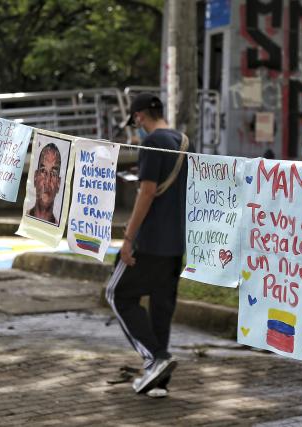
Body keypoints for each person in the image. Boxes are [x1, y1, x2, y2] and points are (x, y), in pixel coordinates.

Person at [106, 93, 190, 397]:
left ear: (140, 116)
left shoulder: (152, 143)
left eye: (136, 120)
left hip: (150, 242)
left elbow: (147, 192)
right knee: (160, 310)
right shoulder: (184, 142)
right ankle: (159, 382)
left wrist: (128, 238)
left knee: (117, 294)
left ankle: (155, 358)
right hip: (175, 244)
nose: (136, 127)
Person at [27, 143, 62, 225]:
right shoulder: (26, 219)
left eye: (53, 173)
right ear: (35, 177)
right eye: (43, 171)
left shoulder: (58, 228)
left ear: (58, 184)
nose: (47, 182)